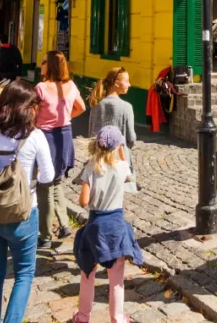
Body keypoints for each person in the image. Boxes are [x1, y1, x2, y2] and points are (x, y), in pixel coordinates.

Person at [0, 79, 53, 323]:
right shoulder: (35, 137)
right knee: (24, 274)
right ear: (27, 107)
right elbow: (48, 176)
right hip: (22, 215)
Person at [72, 125, 144, 323]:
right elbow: (129, 177)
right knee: (116, 279)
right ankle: (117, 318)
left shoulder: (91, 168)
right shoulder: (122, 167)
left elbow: (84, 202)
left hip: (95, 226)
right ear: (118, 146)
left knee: (87, 273)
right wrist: (122, 153)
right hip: (116, 227)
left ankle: (83, 316)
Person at [36, 51, 85, 246]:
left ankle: (45, 235)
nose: (41, 65)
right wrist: (65, 117)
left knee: (44, 186)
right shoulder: (71, 85)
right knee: (55, 182)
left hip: (45, 137)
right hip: (64, 135)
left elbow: (32, 112)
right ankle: (64, 224)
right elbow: (81, 107)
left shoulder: (41, 87)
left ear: (51, 65)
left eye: (43, 62)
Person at [87, 67, 137, 193]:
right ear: (116, 83)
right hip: (119, 156)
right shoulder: (126, 107)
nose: (129, 84)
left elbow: (91, 132)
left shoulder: (96, 105)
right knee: (117, 192)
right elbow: (131, 138)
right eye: (127, 81)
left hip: (99, 155)